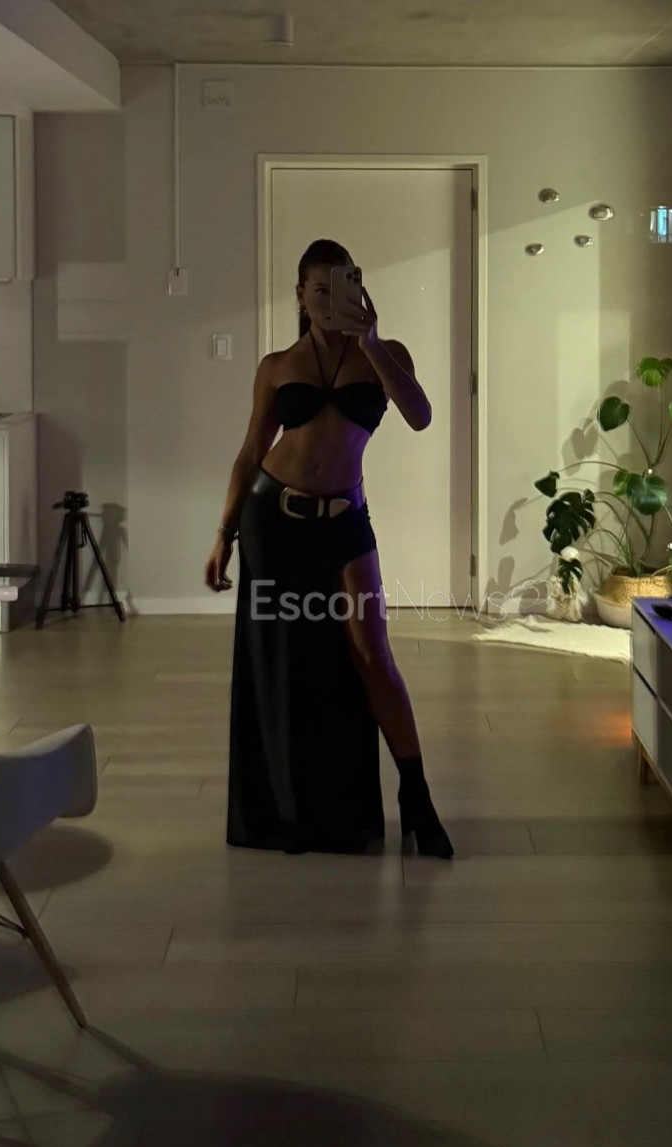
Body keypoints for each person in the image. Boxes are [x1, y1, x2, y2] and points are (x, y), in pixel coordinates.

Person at [205, 239, 453, 859]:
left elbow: (420, 415)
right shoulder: (276, 365)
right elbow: (250, 452)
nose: (329, 301)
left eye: (342, 288)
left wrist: (371, 343)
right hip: (272, 520)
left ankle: (417, 796)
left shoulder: (384, 354)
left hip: (346, 522)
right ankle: (290, 812)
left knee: (373, 654)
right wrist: (224, 534)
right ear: (300, 295)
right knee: (284, 662)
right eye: (319, 290)